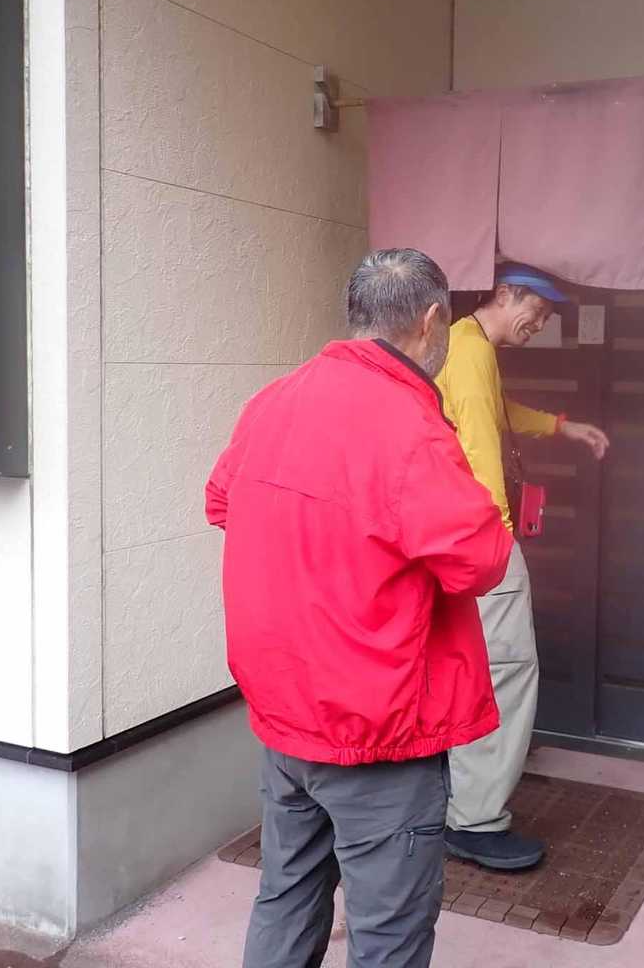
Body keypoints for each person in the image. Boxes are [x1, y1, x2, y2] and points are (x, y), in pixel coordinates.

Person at [206, 249, 514, 968]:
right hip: (379, 729)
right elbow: (481, 559)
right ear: (432, 321)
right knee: (388, 932)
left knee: (285, 894)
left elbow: (221, 502)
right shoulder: (410, 426)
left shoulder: (273, 400)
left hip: (286, 712)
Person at [433, 261, 610, 871]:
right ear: (506, 294)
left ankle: (452, 796)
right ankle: (476, 819)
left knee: (466, 669)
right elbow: (482, 444)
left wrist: (561, 426)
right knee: (506, 672)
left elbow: (494, 413)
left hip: (452, 540)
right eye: (537, 310)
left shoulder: (463, 344)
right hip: (480, 543)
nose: (541, 323)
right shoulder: (470, 350)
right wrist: (502, 540)